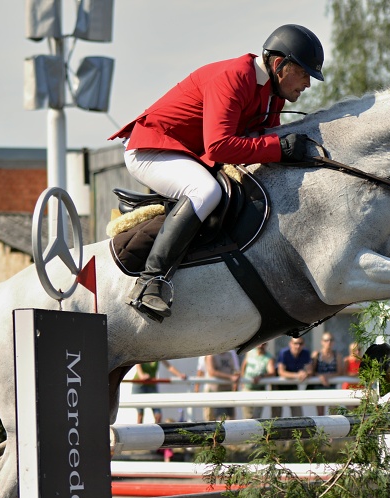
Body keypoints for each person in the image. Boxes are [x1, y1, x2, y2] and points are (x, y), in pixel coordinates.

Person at [109, 24, 325, 322]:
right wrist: (279, 148)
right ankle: (151, 281)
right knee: (205, 191)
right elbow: (220, 146)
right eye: (303, 74)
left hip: (188, 155)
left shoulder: (272, 93)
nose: (307, 84)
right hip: (151, 149)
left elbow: (264, 139)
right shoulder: (234, 77)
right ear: (279, 65)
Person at [275, 337, 314, 417]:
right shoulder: (284, 353)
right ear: (290, 344)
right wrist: (297, 375)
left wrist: (305, 373)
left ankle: (298, 429)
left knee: (297, 413)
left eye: (300, 344)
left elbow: (310, 370)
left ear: (304, 345)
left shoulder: (305, 353)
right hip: (278, 385)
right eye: (295, 343)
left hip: (292, 384)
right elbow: (281, 372)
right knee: (276, 414)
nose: (298, 346)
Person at [239, 342, 277, 419]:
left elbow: (272, 372)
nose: (260, 345)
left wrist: (261, 376)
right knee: (246, 416)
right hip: (247, 389)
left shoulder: (269, 357)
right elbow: (243, 366)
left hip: (259, 390)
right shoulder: (249, 353)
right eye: (259, 343)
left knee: (256, 417)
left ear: (266, 345)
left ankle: (254, 431)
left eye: (263, 344)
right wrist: (242, 380)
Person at [203, 351, 241, 420]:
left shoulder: (229, 355)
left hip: (228, 391)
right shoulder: (211, 355)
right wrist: (230, 377)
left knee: (230, 418)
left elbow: (235, 370)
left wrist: (235, 380)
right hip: (214, 391)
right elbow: (212, 372)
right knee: (214, 419)